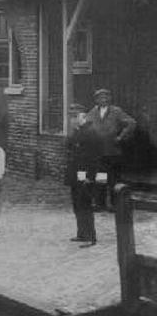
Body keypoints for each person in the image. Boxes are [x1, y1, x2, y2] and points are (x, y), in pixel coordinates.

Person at [85, 88, 135, 212]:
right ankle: (99, 204)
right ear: (96, 100)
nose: (104, 99)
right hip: (99, 153)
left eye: (106, 97)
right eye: (101, 97)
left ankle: (114, 204)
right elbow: (85, 126)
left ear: (110, 99)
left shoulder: (116, 111)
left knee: (113, 179)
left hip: (113, 152)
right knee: (100, 178)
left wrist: (120, 137)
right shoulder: (92, 112)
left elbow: (131, 123)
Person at [65, 104, 100, 248]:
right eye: (71, 116)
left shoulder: (91, 132)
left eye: (76, 116)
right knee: (77, 203)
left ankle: (91, 237)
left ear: (84, 116)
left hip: (85, 175)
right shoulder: (77, 131)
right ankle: (81, 234)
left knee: (85, 204)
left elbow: (95, 158)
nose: (73, 119)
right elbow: (68, 146)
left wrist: (90, 177)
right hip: (76, 173)